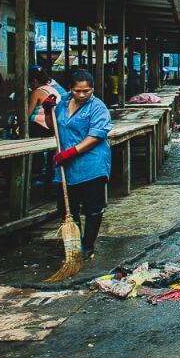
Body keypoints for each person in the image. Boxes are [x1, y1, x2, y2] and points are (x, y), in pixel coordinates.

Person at [50, 70, 113, 260]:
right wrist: (47, 111)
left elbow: (95, 136)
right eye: (78, 91)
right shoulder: (61, 104)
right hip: (66, 167)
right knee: (66, 208)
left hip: (92, 164)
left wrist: (71, 152)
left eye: (87, 91)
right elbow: (53, 126)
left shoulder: (98, 107)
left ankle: (87, 245)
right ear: (71, 88)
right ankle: (74, 243)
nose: (83, 94)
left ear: (92, 89)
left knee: (93, 208)